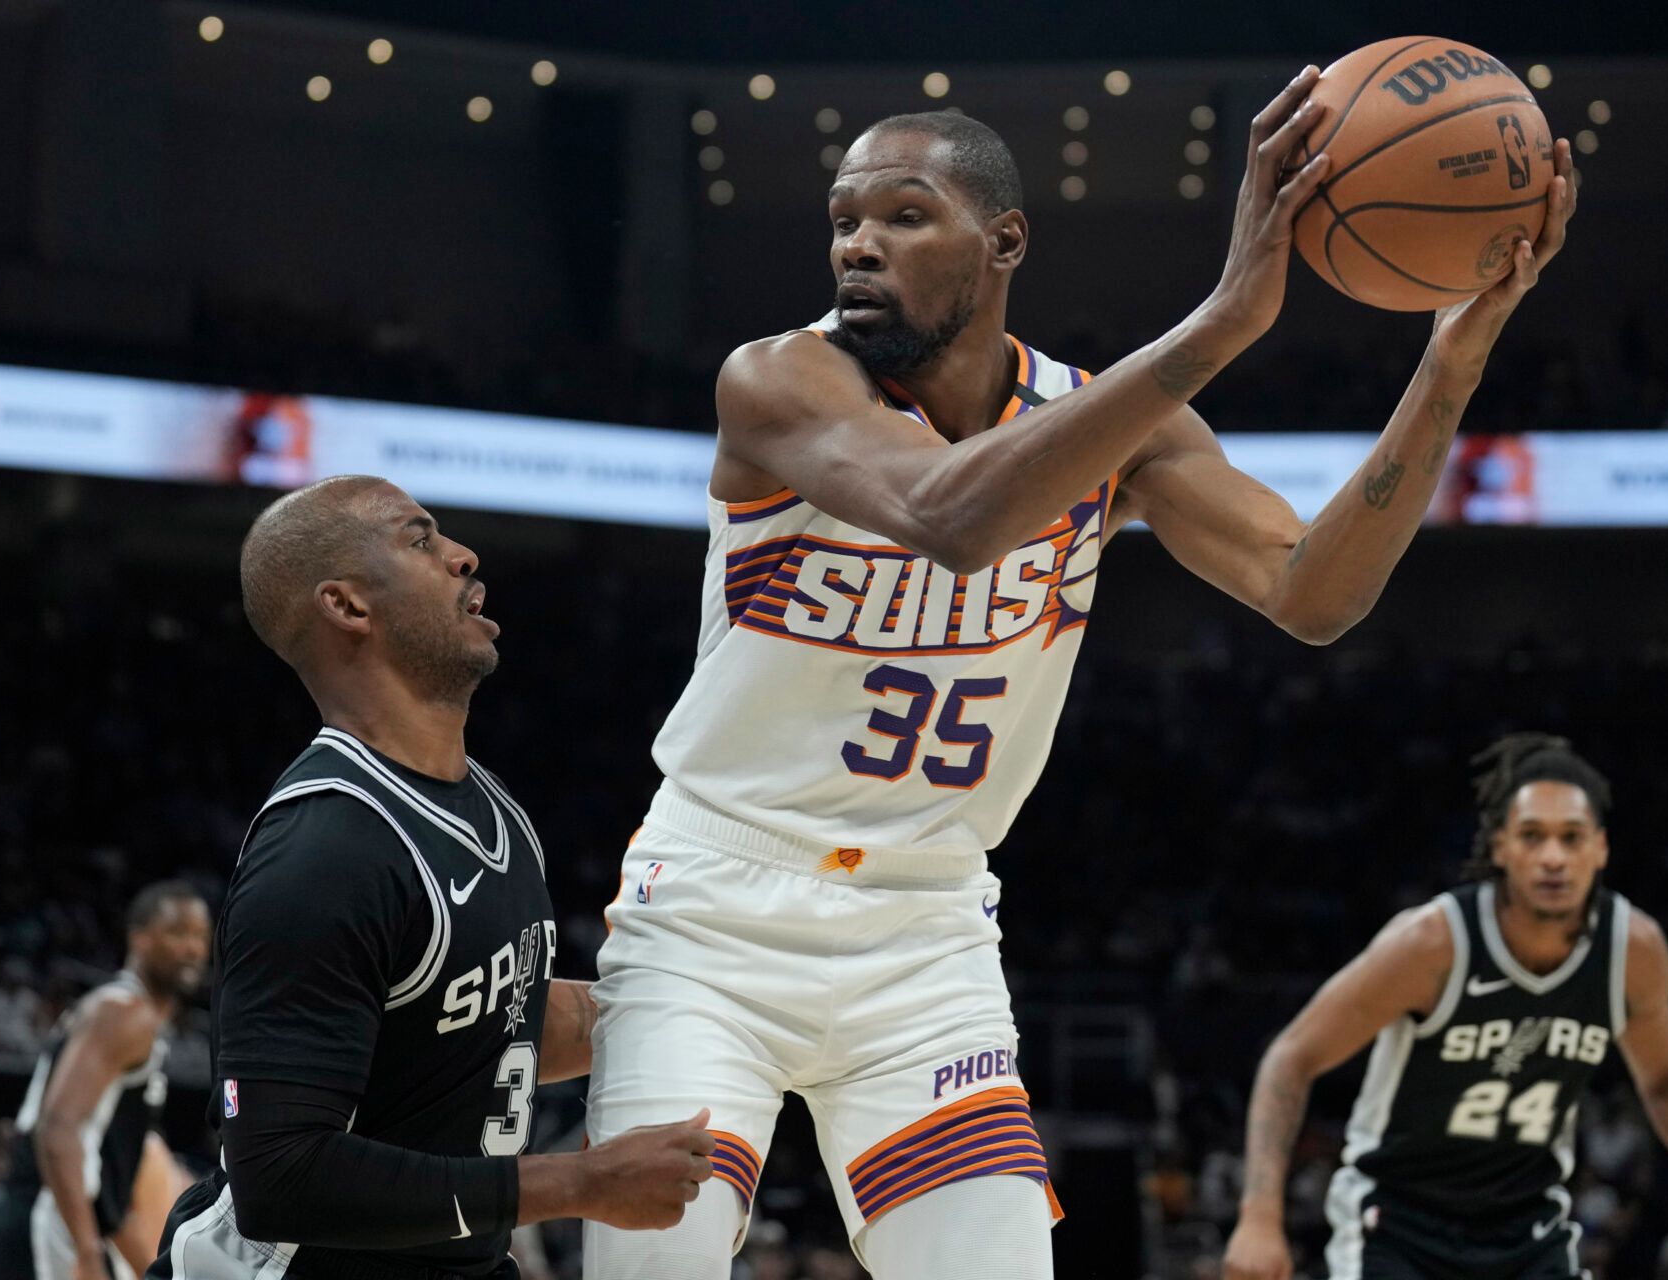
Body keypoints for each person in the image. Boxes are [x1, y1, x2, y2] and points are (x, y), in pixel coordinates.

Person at [583, 68, 1580, 1279]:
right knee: (653, 1266)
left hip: (925, 928)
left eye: (903, 215)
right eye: (845, 218)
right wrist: (1224, 318)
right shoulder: (780, 379)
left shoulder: (1119, 431)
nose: (859, 244)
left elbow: (1313, 595)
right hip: (716, 905)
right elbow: (951, 514)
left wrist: (1449, 368)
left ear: (1003, 241)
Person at [146, 477, 713, 1279]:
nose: (463, 555)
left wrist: (707, 1007)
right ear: (346, 607)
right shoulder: (325, 849)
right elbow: (280, 1177)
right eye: (420, 540)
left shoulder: (492, 805)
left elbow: (483, 1020)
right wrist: (580, 1183)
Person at [1221, 734, 1668, 1280]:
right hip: (1399, 1224)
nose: (1553, 857)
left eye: (1571, 837)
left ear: (1600, 848)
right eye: (1532, 836)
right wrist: (1259, 1216)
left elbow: (1663, 1080)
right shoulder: (1431, 945)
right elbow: (1291, 1056)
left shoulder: (1634, 952)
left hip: (1528, 1229)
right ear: (1499, 848)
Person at [0, 882, 210, 1280]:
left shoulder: (131, 1018)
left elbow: (113, 1193)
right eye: (178, 933)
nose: (193, 949)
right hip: (47, 1221)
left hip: (60, 1222)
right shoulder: (123, 1012)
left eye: (201, 937)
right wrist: (86, 1251)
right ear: (139, 938)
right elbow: (58, 1127)